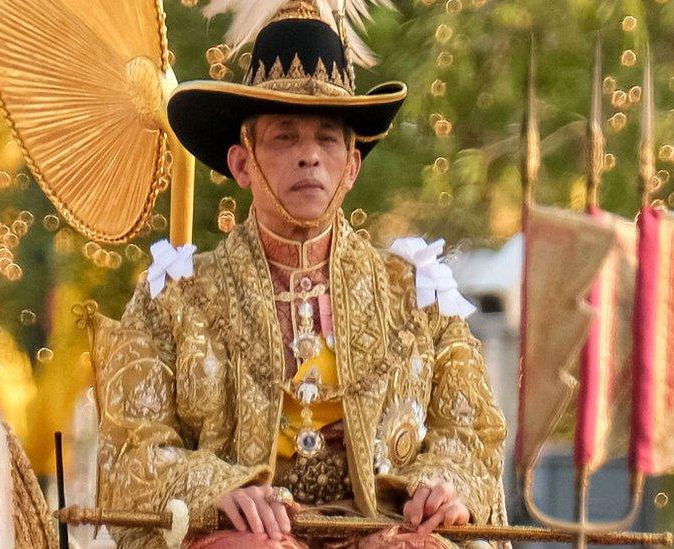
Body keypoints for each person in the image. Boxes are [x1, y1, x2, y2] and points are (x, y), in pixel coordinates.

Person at [94, 2, 508, 547]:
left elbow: (472, 434)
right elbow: (133, 447)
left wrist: (443, 488)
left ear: (352, 167)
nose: (308, 157)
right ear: (243, 164)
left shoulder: (418, 292)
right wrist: (215, 490)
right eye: (284, 137)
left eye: (328, 139)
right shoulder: (172, 298)